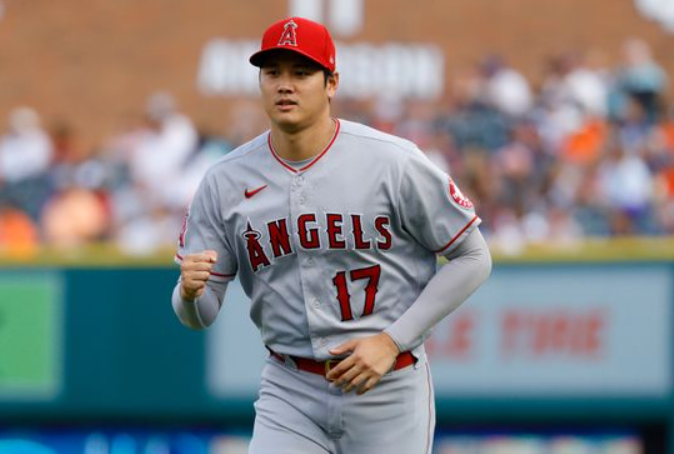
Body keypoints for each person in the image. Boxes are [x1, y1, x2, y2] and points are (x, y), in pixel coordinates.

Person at [172, 17, 492, 454]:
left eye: (302, 73)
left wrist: (392, 340)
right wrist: (189, 294)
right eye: (272, 73)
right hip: (290, 387)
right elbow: (200, 314)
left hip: (387, 385)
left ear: (331, 83)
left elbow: (474, 257)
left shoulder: (392, 161)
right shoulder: (224, 180)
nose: (285, 85)